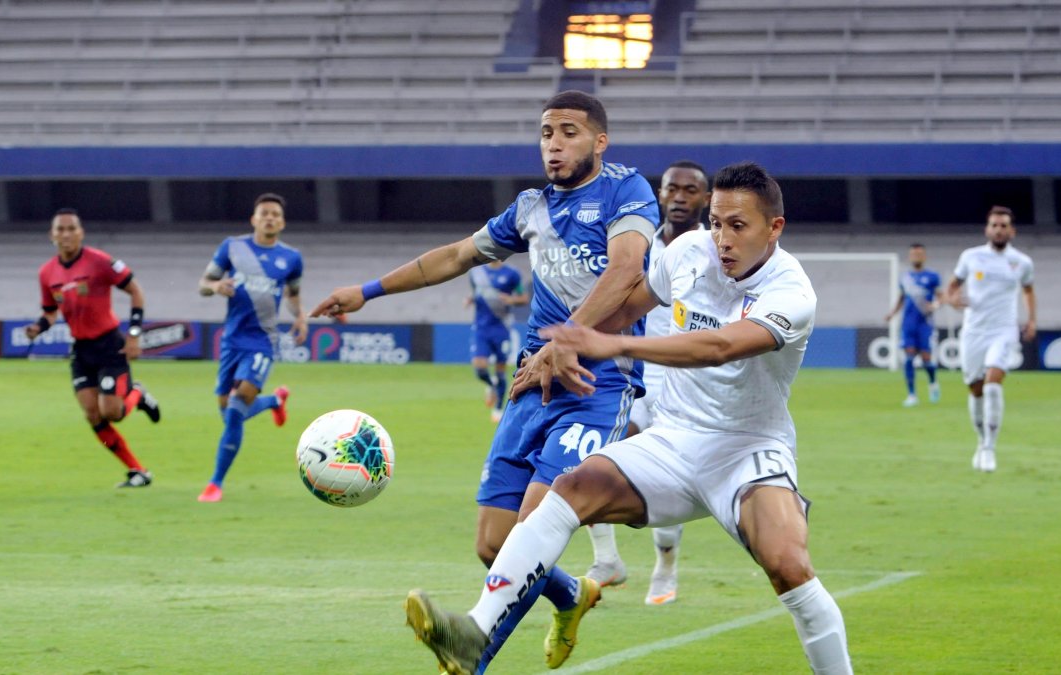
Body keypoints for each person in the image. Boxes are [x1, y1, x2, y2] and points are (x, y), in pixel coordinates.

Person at [402, 162, 854, 675]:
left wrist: (609, 344)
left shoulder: (792, 292)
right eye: (716, 222)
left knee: (787, 566)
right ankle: (474, 633)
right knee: (569, 489)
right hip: (673, 440)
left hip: (747, 448)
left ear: (775, 228)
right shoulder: (688, 252)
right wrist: (564, 347)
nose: (722, 239)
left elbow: (721, 346)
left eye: (738, 226)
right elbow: (626, 307)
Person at [312, 91, 659, 673]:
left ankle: (471, 653)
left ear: (600, 141)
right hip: (532, 384)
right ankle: (573, 597)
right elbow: (453, 256)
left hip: (596, 387)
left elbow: (628, 270)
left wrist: (563, 340)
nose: (554, 143)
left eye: (569, 132)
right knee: (494, 546)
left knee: (533, 527)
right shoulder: (529, 208)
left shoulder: (627, 189)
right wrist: (367, 291)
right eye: (546, 132)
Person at [584, 159, 710, 606]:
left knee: (669, 480)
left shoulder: (714, 250)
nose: (679, 196)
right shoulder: (638, 247)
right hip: (635, 377)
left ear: (706, 198)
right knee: (593, 460)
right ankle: (607, 559)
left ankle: (667, 562)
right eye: (671, 188)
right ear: (659, 194)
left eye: (690, 190)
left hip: (689, 383)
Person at [25, 208, 161, 488]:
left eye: (71, 228)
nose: (66, 234)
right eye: (60, 229)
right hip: (81, 350)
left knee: (112, 412)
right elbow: (50, 311)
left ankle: (138, 394)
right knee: (92, 413)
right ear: (52, 235)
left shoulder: (100, 262)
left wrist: (134, 334)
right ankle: (138, 472)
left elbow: (136, 290)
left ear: (80, 233)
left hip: (109, 345)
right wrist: (39, 327)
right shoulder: (46, 273)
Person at [197, 192, 307, 503]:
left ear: (282, 222)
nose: (270, 217)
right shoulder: (232, 247)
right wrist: (216, 285)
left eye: (275, 214)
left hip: (263, 341)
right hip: (232, 340)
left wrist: (300, 317)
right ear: (254, 219)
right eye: (264, 213)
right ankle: (274, 401)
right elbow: (203, 283)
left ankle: (215, 484)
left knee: (234, 412)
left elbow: (293, 293)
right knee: (229, 411)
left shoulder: (292, 258)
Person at [946, 206, 1036, 473]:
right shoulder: (971, 257)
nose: (998, 229)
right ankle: (981, 440)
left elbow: (1029, 290)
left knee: (994, 382)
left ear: (1012, 231)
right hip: (974, 331)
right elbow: (953, 285)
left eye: (1003, 225)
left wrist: (1031, 319)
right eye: (994, 225)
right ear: (987, 229)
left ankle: (989, 448)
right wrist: (952, 299)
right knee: (976, 389)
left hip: (1003, 330)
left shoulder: (1022, 262)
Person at [466, 261, 527, 423]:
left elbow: (523, 297)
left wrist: (511, 300)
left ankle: (498, 407)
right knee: (480, 368)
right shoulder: (476, 273)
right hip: (481, 328)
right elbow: (476, 292)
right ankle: (491, 384)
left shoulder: (512, 274)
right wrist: (471, 299)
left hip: (501, 328)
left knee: (500, 370)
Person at [884, 244, 943, 407]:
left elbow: (941, 297)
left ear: (924, 256)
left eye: (919, 254)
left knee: (926, 359)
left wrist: (935, 305)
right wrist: (892, 313)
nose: (916, 257)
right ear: (910, 257)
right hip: (908, 323)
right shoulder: (905, 277)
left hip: (925, 324)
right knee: (909, 358)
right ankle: (912, 395)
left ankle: (933, 383)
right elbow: (902, 298)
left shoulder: (932, 277)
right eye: (913, 254)